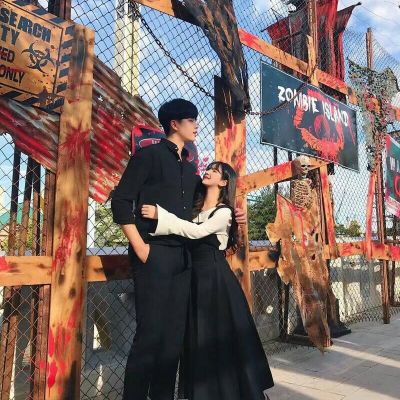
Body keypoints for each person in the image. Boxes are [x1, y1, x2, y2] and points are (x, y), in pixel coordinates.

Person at [111, 99, 245, 400]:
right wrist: (140, 247)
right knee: (149, 335)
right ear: (174, 124)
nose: (197, 125)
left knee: (173, 338)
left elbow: (209, 205)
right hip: (153, 253)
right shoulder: (148, 156)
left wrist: (236, 215)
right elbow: (120, 201)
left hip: (184, 258)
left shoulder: (191, 170)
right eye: (192, 120)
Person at [141, 161, 274, 400]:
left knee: (222, 337)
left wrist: (161, 216)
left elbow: (195, 232)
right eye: (209, 168)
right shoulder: (194, 209)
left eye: (215, 171)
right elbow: (185, 224)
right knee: (199, 337)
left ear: (223, 182)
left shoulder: (224, 212)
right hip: (193, 279)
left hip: (216, 281)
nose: (208, 171)